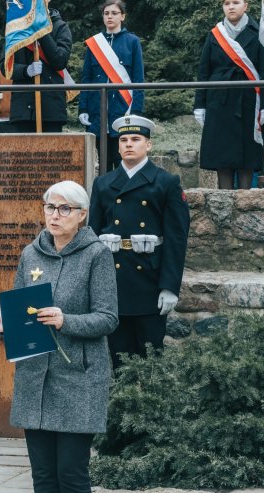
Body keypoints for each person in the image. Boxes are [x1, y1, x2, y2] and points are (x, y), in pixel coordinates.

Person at [0, 180, 118, 493]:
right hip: (36, 378)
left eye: (63, 209)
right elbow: (27, 311)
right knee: (43, 474)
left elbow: (108, 318)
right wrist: (6, 324)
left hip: (78, 378)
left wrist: (66, 320)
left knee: (71, 473)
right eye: (49, 207)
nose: (54, 215)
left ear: (81, 215)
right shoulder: (31, 253)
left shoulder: (96, 255)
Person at [88, 116, 190, 368]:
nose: (128, 145)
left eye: (136, 139)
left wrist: (169, 287)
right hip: (114, 279)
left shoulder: (166, 182)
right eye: (123, 140)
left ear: (149, 145)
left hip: (149, 280)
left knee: (151, 358)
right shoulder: (103, 184)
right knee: (118, 357)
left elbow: (176, 239)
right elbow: (92, 237)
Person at [194, 0, 264, 190]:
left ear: (246, 6)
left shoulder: (260, 33)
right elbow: (204, 72)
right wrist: (200, 105)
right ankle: (224, 203)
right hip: (220, 101)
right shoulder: (215, 34)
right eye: (226, 3)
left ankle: (244, 204)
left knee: (247, 159)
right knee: (223, 156)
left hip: (250, 102)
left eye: (236, 2)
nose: (231, 6)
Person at [80, 0, 144, 170]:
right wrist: (83, 108)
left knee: (124, 159)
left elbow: (138, 79)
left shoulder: (132, 41)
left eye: (114, 13)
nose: (110, 16)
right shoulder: (94, 44)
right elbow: (86, 78)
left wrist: (136, 109)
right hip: (97, 108)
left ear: (122, 16)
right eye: (106, 13)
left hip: (123, 107)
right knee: (103, 162)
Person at [3, 0, 72, 133]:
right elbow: (4, 66)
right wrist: (26, 71)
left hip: (51, 108)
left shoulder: (60, 26)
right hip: (22, 109)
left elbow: (60, 61)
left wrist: (41, 30)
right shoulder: (15, 27)